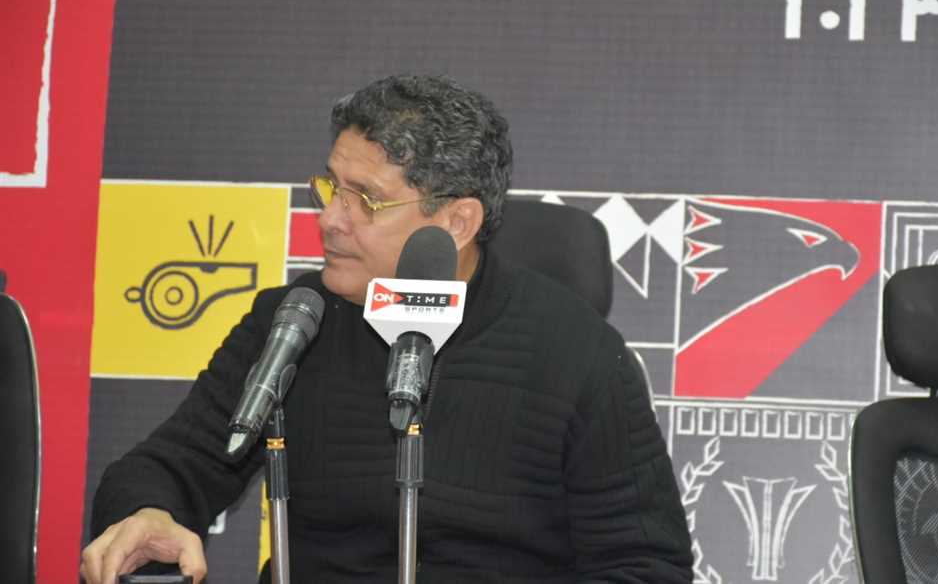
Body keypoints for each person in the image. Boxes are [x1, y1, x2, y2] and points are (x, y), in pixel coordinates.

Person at [82, 74, 694, 584]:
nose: (329, 219)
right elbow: (169, 465)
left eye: (366, 200)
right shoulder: (294, 320)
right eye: (331, 187)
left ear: (457, 222)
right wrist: (147, 512)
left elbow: (645, 565)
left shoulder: (577, 351)